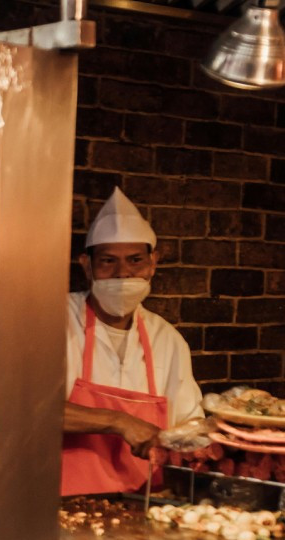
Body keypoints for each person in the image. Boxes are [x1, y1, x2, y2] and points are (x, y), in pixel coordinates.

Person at [61, 188, 203, 496]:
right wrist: (118, 421)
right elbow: (26, 413)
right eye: (108, 261)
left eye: (135, 260)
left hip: (144, 504)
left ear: (154, 262)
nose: (123, 273)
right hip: (62, 504)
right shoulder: (52, 322)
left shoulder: (167, 339)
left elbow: (189, 426)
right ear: (86, 265)